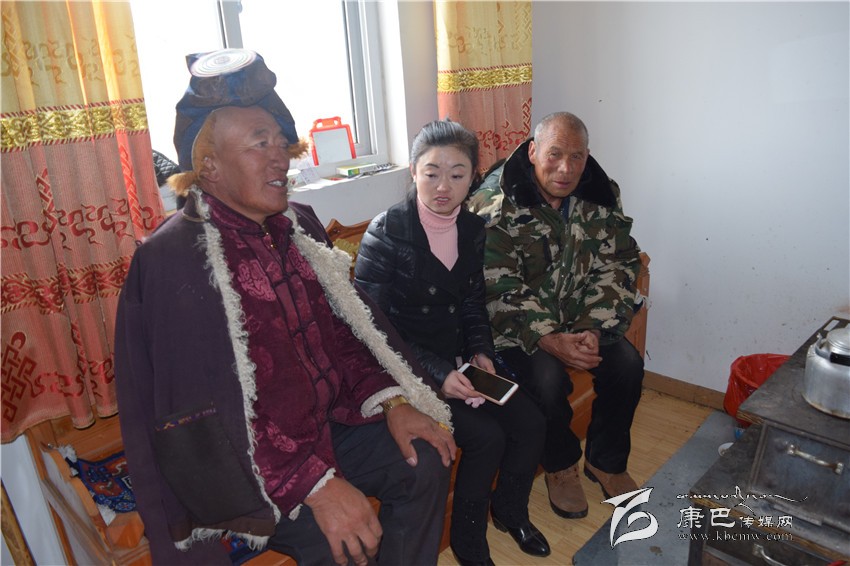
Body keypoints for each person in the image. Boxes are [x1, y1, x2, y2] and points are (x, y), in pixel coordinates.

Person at [114, 49, 456, 566]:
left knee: (425, 459)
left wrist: (392, 403)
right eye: (259, 144)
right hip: (252, 463)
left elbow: (344, 333)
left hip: (330, 424)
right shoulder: (175, 261)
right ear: (209, 165)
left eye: (281, 141)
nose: (281, 157)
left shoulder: (299, 225)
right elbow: (200, 416)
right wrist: (313, 486)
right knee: (338, 542)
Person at [354, 120, 550, 566]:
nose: (443, 186)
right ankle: (468, 540)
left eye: (457, 174)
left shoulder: (473, 228)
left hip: (460, 362)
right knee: (485, 437)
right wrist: (439, 373)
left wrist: (481, 351)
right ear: (413, 171)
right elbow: (372, 329)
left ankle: (510, 511)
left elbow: (473, 302)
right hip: (405, 372)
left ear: (473, 177)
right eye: (432, 173)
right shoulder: (387, 233)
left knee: (530, 422)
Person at [468, 112, 644, 521]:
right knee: (547, 381)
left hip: (580, 316)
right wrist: (548, 337)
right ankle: (561, 464)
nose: (565, 169)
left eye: (576, 157)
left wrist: (593, 325)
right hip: (517, 328)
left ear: (587, 157)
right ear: (533, 152)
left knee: (628, 366)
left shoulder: (600, 195)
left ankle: (606, 461)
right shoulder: (495, 203)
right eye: (554, 154)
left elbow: (618, 262)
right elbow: (497, 287)